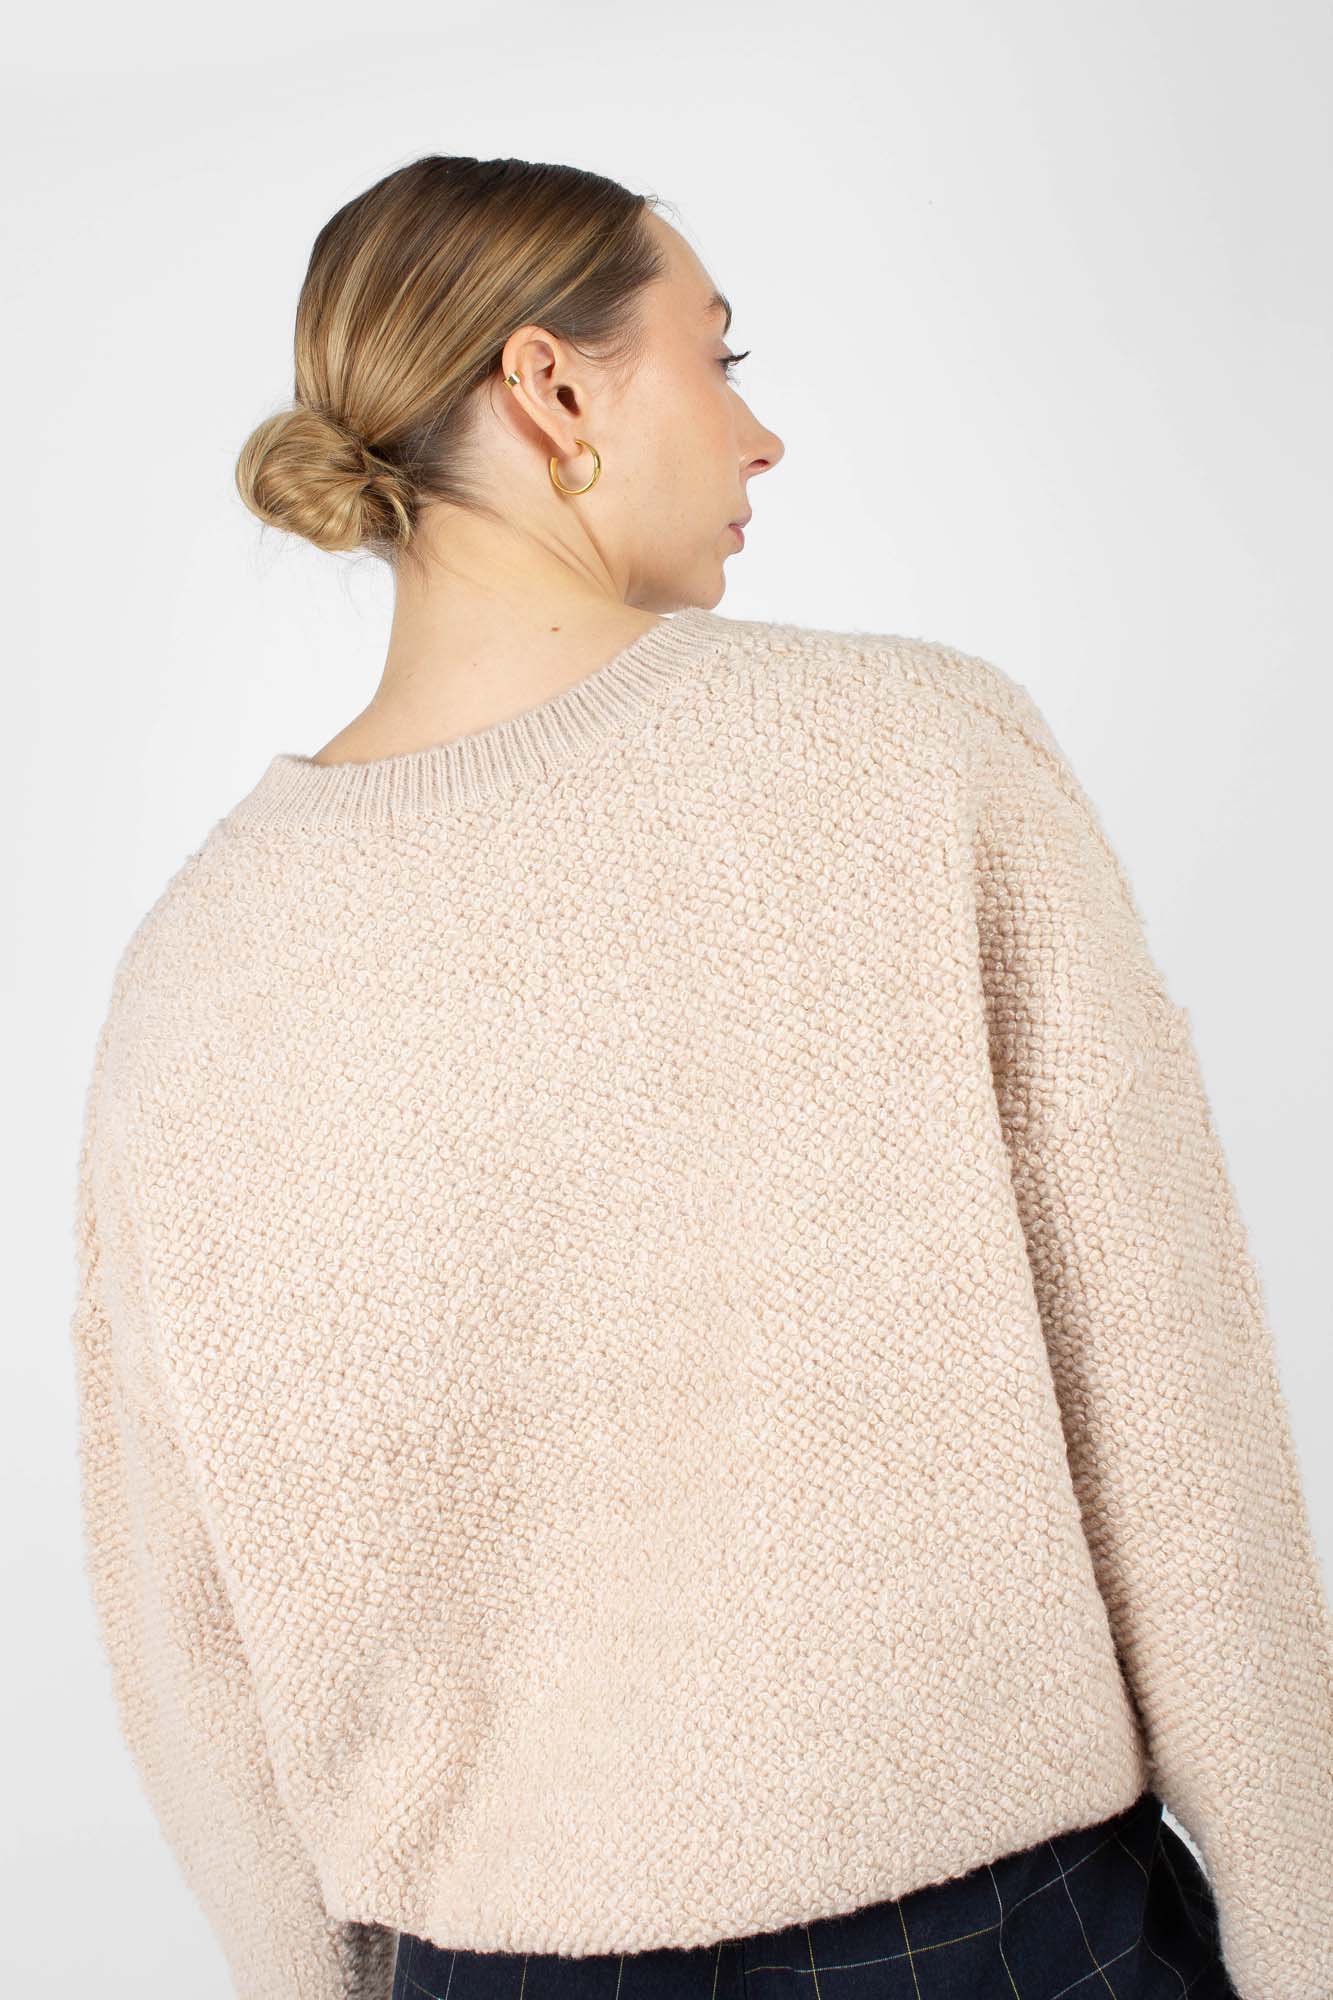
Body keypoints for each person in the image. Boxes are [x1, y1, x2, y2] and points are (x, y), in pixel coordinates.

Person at [68, 153, 1330, 2000]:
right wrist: (1302, 1936)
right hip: (997, 1939)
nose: (759, 435)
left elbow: (181, 1629)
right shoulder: (914, 756)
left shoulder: (194, 970)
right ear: (549, 387)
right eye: (719, 357)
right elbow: (1170, 1420)